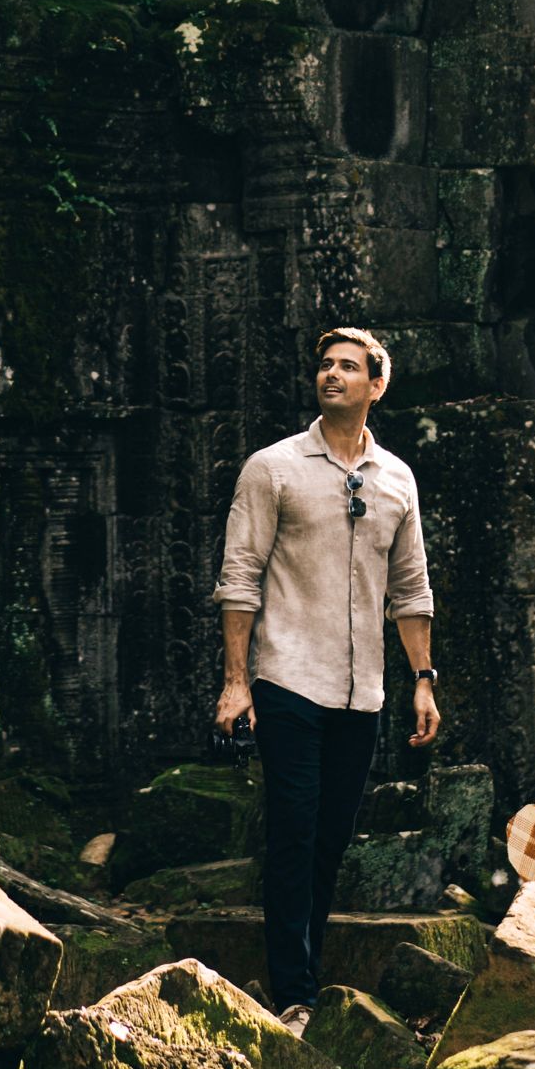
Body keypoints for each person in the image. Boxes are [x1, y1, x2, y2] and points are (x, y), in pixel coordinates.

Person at [213, 326, 440, 1029]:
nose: (332, 375)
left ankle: (303, 968)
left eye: (349, 367)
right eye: (325, 365)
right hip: (286, 676)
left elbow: (411, 589)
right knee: (293, 828)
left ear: (378, 385)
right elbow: (239, 578)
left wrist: (423, 680)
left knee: (331, 837)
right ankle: (295, 993)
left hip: (362, 690)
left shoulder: (397, 478)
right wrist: (236, 681)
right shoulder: (272, 468)